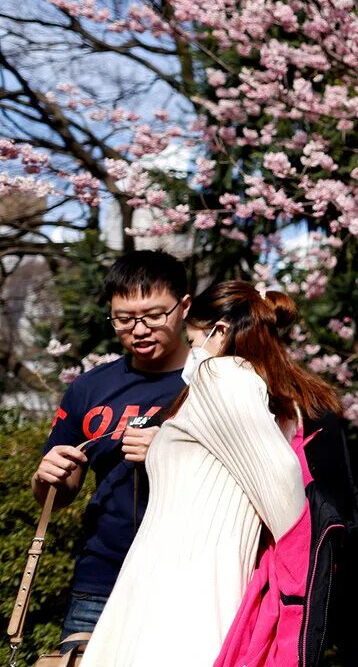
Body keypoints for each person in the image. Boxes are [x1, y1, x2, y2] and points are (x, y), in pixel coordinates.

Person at [82, 282, 336, 667]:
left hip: (187, 586)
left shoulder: (223, 377)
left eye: (193, 338)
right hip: (176, 579)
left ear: (219, 332)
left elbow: (284, 492)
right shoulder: (250, 386)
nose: (191, 351)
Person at [32, 250, 192, 647]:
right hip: (101, 579)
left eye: (154, 315)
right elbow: (59, 494)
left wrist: (171, 449)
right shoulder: (90, 388)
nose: (138, 330)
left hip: (189, 577)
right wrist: (46, 476)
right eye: (123, 319)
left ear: (184, 307)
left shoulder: (214, 381)